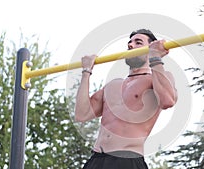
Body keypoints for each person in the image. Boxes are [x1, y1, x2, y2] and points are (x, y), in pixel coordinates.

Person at [74, 29, 178, 169]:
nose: (130, 45)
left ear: (150, 48)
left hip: (127, 160)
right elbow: (81, 114)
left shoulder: (157, 79)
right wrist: (86, 72)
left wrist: (155, 57)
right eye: (129, 43)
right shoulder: (113, 86)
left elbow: (167, 101)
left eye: (138, 42)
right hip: (97, 159)